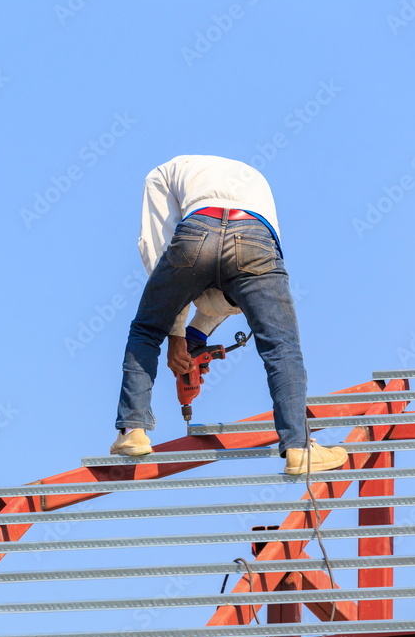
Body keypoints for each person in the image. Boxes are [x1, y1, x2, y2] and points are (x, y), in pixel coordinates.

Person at [111, 154, 347, 475]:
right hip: (256, 238)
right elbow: (231, 278)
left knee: (147, 329)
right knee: (281, 347)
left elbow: (158, 249)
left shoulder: (162, 174)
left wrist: (176, 333)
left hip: (197, 230)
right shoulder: (255, 177)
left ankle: (133, 431)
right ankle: (298, 448)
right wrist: (190, 335)